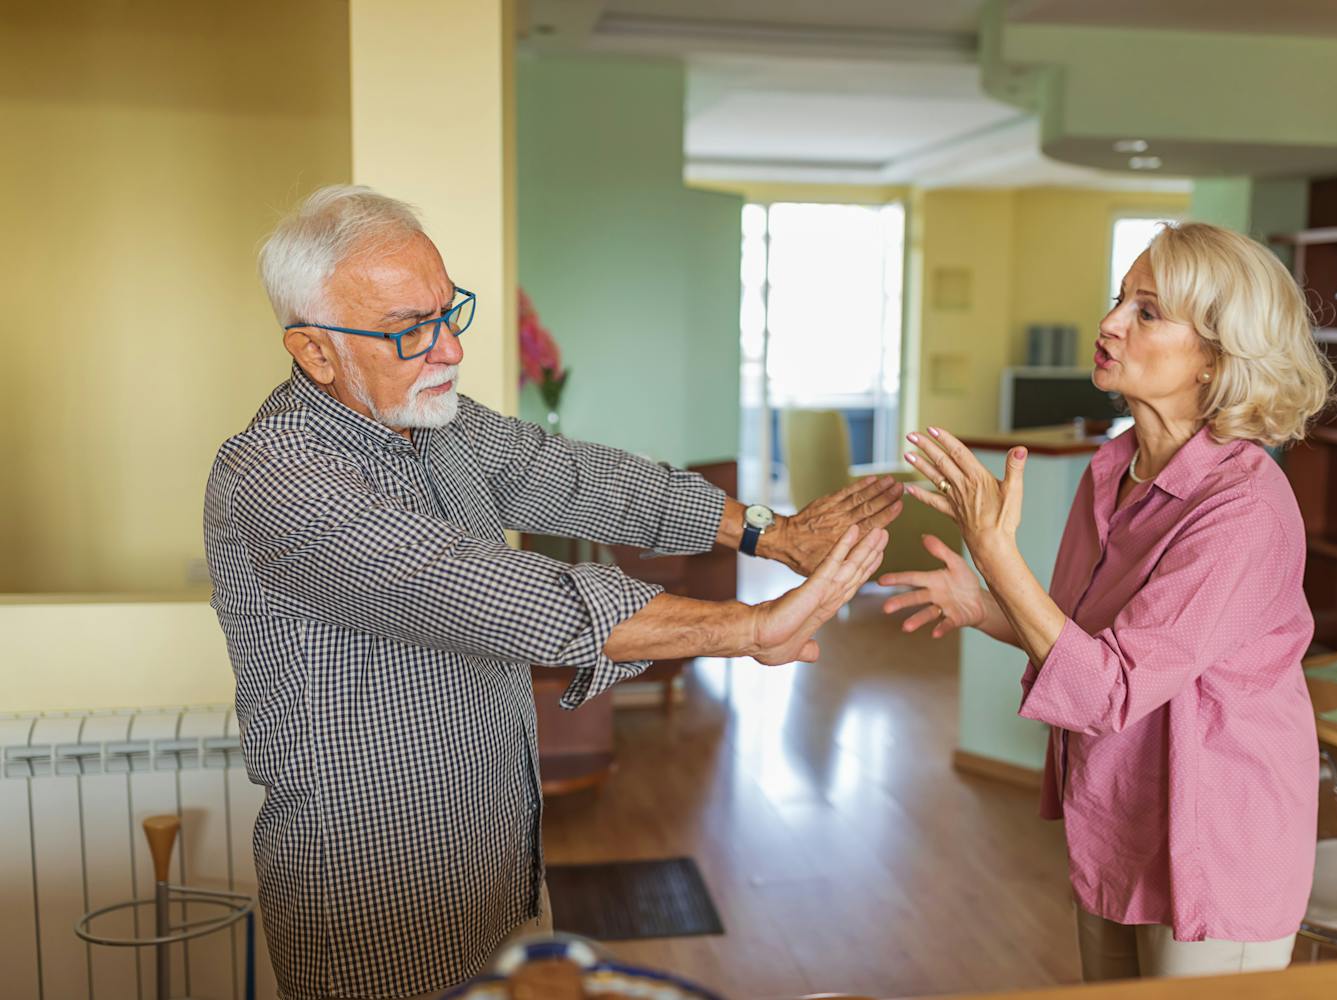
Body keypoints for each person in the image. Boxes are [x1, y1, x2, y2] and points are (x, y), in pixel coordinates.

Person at [204, 185, 899, 1000]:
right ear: (316, 352)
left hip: (505, 873)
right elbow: (488, 591)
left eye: (448, 312)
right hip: (378, 906)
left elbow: (583, 480)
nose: (449, 352)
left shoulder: (436, 424)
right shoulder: (274, 476)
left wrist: (767, 533)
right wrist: (746, 628)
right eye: (408, 332)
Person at [882, 222, 1333, 980]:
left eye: (1148, 312)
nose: (1111, 323)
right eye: (1119, 298)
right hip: (1121, 818)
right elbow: (1085, 644)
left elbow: (1109, 688)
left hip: (1218, 844)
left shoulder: (1243, 508)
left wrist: (998, 553)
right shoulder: (1112, 470)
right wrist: (985, 603)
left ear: (1218, 356)